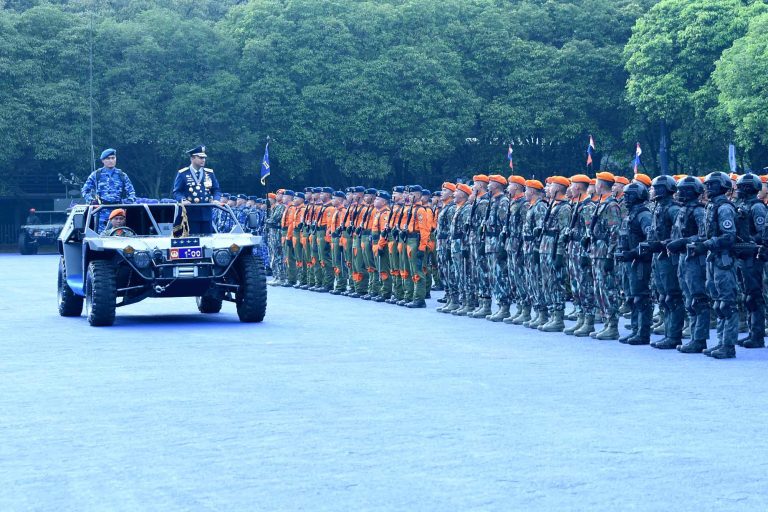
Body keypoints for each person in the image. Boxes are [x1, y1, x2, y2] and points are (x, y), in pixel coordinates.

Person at [82, 148, 137, 230]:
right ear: (103, 160)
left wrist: (127, 203)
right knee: (101, 236)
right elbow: (85, 190)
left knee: (119, 234)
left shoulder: (122, 175)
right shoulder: (96, 174)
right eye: (108, 158)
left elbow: (131, 192)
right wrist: (92, 201)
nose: (111, 160)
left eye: (113, 158)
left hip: (118, 211)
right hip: (101, 211)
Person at [172, 145, 221, 235]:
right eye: (201, 157)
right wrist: (183, 200)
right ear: (192, 158)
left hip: (206, 214)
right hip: (190, 214)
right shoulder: (183, 173)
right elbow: (176, 192)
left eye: (204, 158)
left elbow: (216, 190)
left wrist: (216, 200)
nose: (203, 160)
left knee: (207, 242)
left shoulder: (209, 173)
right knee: (192, 241)